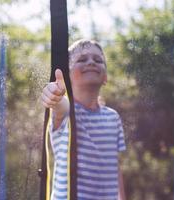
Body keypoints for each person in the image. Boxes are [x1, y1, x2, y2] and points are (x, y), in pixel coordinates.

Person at [41, 39, 126, 200]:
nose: (91, 62)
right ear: (68, 75)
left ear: (105, 77)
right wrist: (54, 95)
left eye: (98, 60)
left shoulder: (113, 118)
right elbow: (61, 106)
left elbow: (114, 165)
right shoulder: (68, 112)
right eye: (81, 59)